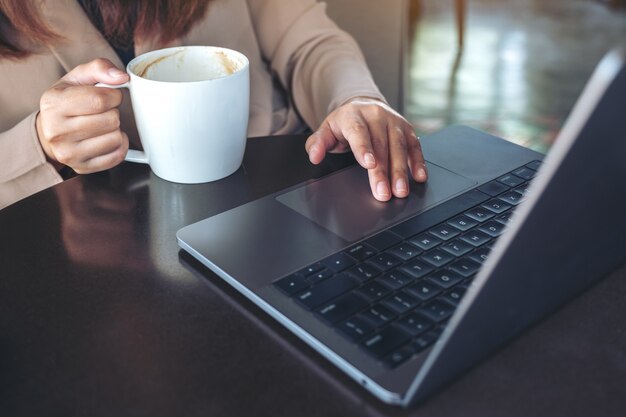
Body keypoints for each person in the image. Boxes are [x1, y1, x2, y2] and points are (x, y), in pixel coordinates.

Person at [0, 0, 428, 209]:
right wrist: (39, 145)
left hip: (276, 201)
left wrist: (355, 98)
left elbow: (309, 38)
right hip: (87, 240)